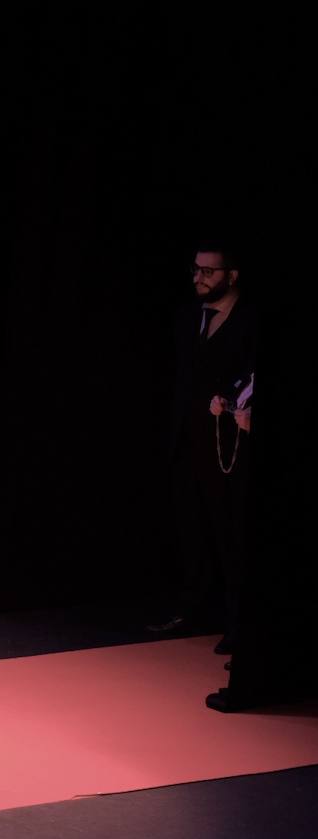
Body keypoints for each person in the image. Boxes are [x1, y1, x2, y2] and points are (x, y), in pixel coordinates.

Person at [149, 243, 255, 655]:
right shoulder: (187, 317)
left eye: (209, 271)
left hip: (229, 447)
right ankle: (195, 611)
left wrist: (232, 401)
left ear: (232, 275)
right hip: (188, 441)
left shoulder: (251, 320)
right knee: (193, 531)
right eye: (195, 269)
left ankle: (238, 623)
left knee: (231, 535)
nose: (199, 277)